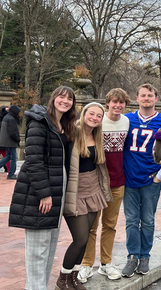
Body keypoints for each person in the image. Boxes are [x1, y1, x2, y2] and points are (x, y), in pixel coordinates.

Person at [8, 86, 77, 290]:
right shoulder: (39, 122)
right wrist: (44, 194)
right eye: (61, 97)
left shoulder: (64, 125)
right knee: (38, 251)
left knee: (48, 249)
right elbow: (33, 160)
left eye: (69, 99)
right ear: (53, 98)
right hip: (41, 193)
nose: (65, 101)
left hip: (58, 189)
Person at [55, 102, 113, 290]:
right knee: (79, 238)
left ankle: (74, 277)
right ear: (84, 113)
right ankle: (62, 279)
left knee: (86, 237)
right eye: (91, 113)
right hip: (75, 189)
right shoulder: (71, 133)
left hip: (94, 188)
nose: (94, 118)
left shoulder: (97, 136)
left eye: (98, 115)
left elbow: (100, 165)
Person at [78, 89, 130, 283]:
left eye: (121, 102)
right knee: (90, 226)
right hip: (96, 182)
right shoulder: (98, 122)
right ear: (107, 102)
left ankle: (106, 263)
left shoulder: (126, 122)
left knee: (110, 225)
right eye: (114, 102)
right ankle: (87, 264)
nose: (117, 105)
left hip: (117, 181)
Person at [121, 84, 161, 277]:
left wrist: (159, 176)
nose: (146, 98)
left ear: (156, 99)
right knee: (131, 220)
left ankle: (144, 256)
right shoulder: (127, 119)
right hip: (129, 179)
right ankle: (132, 256)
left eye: (150, 95)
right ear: (137, 98)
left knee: (147, 220)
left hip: (151, 179)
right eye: (143, 95)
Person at [0, 104, 21, 180]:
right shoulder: (11, 119)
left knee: (8, 156)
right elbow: (12, 132)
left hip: (6, 141)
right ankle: (11, 174)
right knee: (13, 158)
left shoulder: (6, 117)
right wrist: (17, 139)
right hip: (10, 141)